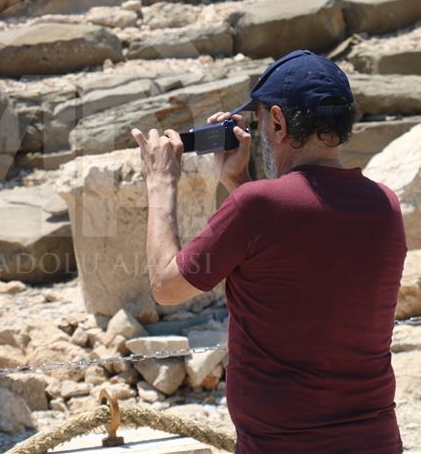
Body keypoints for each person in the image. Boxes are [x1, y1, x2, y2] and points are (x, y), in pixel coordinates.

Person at [131, 49, 406, 453]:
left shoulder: (257, 207)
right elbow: (293, 245)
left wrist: (160, 183)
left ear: (278, 121)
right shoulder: (384, 205)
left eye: (260, 120)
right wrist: (237, 180)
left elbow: (166, 286)